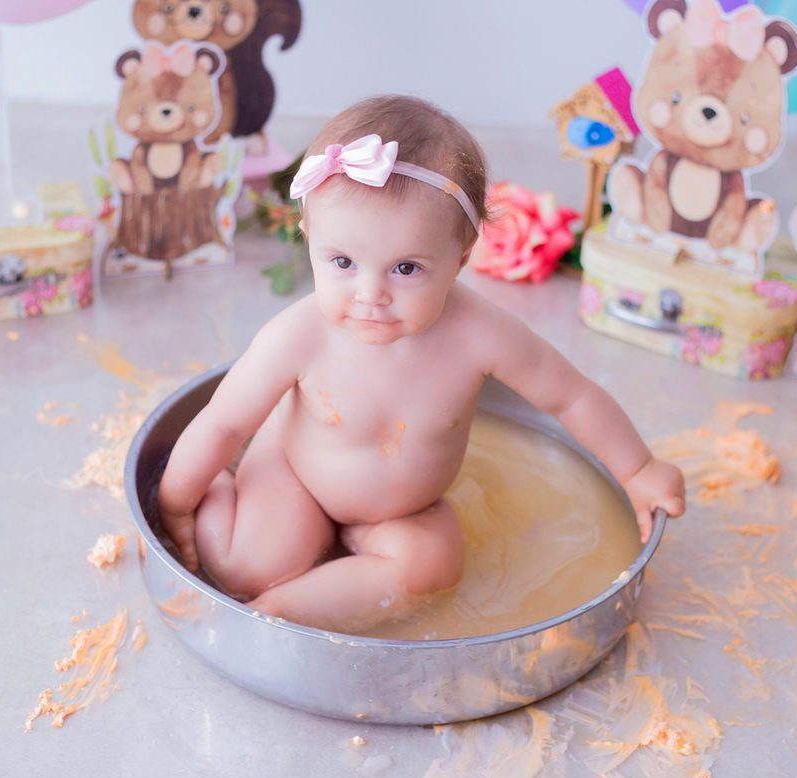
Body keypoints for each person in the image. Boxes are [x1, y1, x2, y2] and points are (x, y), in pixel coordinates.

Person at [159, 95, 685, 633]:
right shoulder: (297, 337)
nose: (370, 293)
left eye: (406, 268)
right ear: (309, 238)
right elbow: (224, 423)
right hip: (296, 479)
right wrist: (178, 501)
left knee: (430, 570)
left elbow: (570, 397)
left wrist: (638, 470)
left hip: (406, 510)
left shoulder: (482, 334)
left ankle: (282, 612)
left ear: (459, 260)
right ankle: (243, 536)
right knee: (242, 566)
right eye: (342, 262)